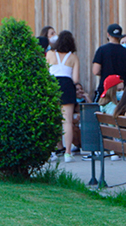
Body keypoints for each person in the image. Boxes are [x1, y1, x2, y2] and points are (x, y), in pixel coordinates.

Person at [46, 30, 80, 163]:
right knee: (67, 121)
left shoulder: (50, 54)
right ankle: (68, 153)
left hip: (52, 85)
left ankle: (51, 151)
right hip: (67, 86)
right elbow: (75, 79)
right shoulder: (73, 58)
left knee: (51, 119)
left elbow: (45, 72)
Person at [92, 24, 126, 100]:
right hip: (121, 89)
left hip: (105, 88)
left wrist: (105, 73)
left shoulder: (102, 50)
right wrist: (122, 75)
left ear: (108, 34)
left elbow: (95, 71)